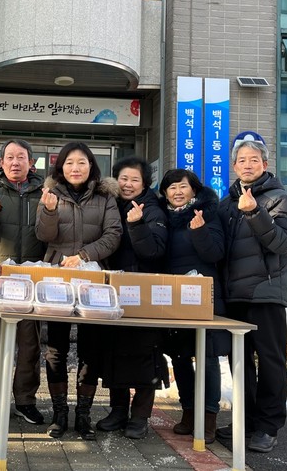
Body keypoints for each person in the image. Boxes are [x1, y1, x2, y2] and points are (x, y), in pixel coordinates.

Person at [216, 131, 287, 453]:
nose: (247, 165)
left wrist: (254, 212)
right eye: (241, 160)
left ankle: (268, 426)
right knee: (240, 363)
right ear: (234, 166)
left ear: (265, 163)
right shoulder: (226, 203)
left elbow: (281, 243)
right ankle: (246, 422)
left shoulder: (279, 199)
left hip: (266, 293)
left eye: (254, 160)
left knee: (270, 361)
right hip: (234, 295)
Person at [35, 142, 122, 439]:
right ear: (61, 166)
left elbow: (113, 235)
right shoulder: (50, 194)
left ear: (91, 166)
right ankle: (59, 414)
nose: (75, 168)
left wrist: (84, 255)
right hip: (57, 279)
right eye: (69, 162)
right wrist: (49, 211)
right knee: (55, 348)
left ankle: (83, 415)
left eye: (82, 162)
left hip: (93, 280)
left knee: (91, 348)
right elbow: (43, 235)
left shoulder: (105, 196)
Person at [0, 139, 46, 424]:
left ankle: (26, 400)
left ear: (31, 162)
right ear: (1, 162)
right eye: (10, 157)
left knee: (30, 344)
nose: (15, 162)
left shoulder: (44, 192)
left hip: (33, 279)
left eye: (21, 157)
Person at [97, 156, 169, 439]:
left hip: (144, 293)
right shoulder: (111, 204)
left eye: (134, 180)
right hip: (114, 290)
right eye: (123, 178)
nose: (128, 184)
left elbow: (154, 252)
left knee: (144, 354)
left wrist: (137, 225)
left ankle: (140, 416)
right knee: (114, 350)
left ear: (145, 183)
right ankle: (117, 411)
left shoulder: (153, 209)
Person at [158, 168, 229, 444]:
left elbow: (216, 253)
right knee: (180, 356)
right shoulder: (163, 218)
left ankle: (209, 417)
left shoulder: (207, 213)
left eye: (182, 186)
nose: (177, 192)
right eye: (171, 187)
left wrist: (199, 232)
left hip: (203, 297)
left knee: (207, 357)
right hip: (174, 297)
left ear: (194, 190)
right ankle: (188, 412)